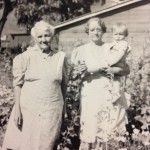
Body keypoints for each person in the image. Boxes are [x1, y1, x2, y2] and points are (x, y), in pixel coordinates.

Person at [2, 20, 68, 150]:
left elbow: (64, 85)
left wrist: (64, 108)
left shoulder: (60, 57)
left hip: (51, 110)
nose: (44, 39)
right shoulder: (25, 57)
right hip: (29, 110)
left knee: (46, 145)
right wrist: (17, 111)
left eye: (47, 35)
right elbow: (18, 85)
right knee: (26, 144)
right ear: (35, 38)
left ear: (52, 37)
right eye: (40, 36)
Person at [71, 17, 130, 150]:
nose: (95, 33)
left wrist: (113, 70)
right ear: (88, 31)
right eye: (92, 30)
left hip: (109, 93)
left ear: (103, 31)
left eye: (98, 29)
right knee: (92, 126)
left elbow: (127, 69)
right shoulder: (81, 50)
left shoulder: (111, 47)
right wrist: (79, 71)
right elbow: (74, 75)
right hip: (91, 93)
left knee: (109, 127)